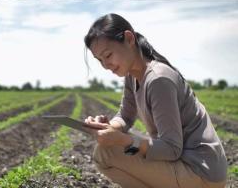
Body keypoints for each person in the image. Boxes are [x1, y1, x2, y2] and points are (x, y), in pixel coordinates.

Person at [83, 13, 227, 188]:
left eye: (108, 55)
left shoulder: (158, 80)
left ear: (129, 39)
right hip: (186, 165)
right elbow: (125, 116)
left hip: (201, 173)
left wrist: (121, 140)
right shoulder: (132, 75)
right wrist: (108, 127)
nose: (106, 65)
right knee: (111, 147)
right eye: (100, 60)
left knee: (107, 153)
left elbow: (171, 149)